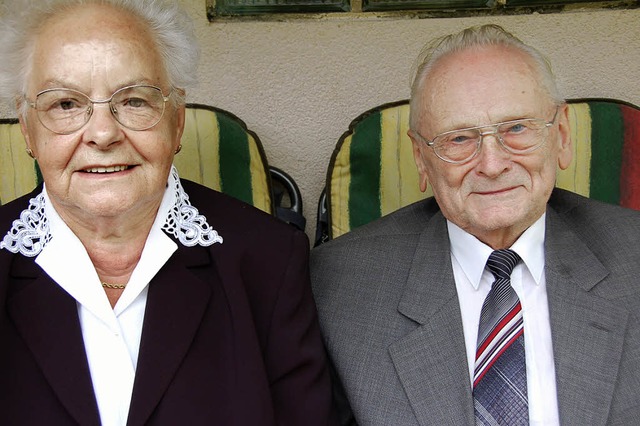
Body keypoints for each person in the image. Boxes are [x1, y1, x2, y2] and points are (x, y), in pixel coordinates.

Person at [0, 1, 336, 424]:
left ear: (176, 121)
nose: (103, 133)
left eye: (134, 101)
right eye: (65, 104)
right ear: (27, 129)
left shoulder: (269, 259)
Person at [311, 24, 640, 425]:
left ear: (563, 135)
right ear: (420, 157)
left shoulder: (633, 260)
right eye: (459, 139)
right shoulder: (340, 288)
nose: (492, 164)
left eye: (517, 128)